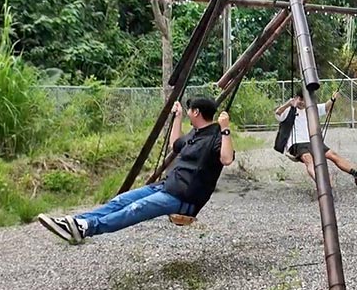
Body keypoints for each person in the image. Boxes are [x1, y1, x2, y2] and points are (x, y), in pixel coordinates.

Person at [37, 96, 234, 244]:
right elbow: (175, 144)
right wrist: (178, 117)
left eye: (189, 110)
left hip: (184, 199)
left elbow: (226, 159)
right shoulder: (194, 133)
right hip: (166, 186)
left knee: (134, 209)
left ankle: (86, 228)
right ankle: (74, 222)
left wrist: (225, 129)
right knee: (121, 200)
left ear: (197, 112)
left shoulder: (217, 136)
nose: (189, 113)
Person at [274, 91, 357, 186]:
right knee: (308, 159)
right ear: (296, 99)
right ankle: (322, 183)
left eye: (304, 100)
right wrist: (289, 103)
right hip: (297, 144)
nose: (302, 103)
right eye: (300, 100)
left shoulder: (311, 109)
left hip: (313, 141)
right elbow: (278, 113)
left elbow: (325, 107)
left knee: (333, 155)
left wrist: (332, 99)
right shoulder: (288, 110)